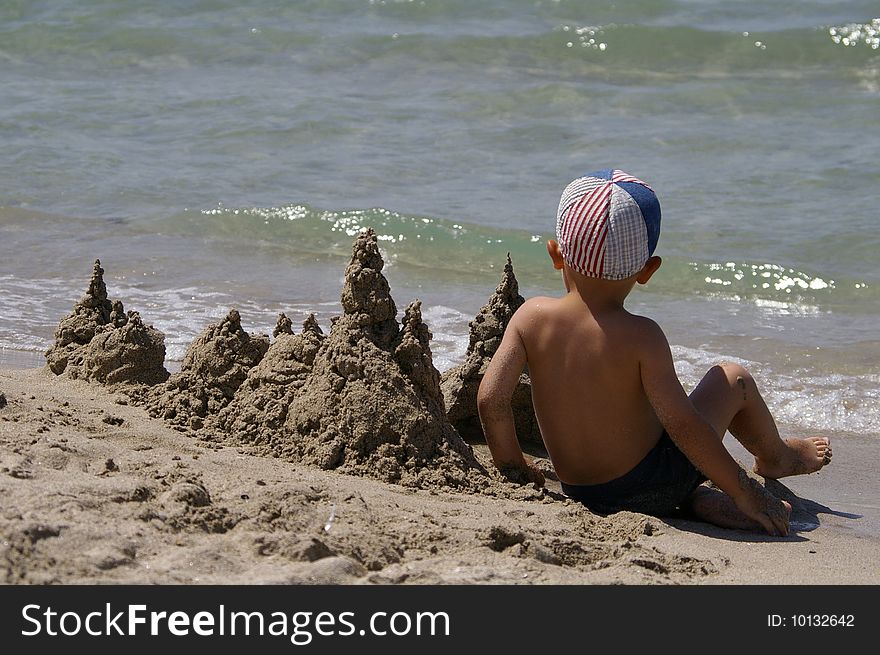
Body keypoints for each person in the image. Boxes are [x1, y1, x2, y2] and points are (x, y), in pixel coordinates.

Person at [477, 169, 832, 536]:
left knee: (666, 457)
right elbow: (683, 426)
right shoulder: (643, 336)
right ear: (648, 270)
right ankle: (776, 458)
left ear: (556, 253)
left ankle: (696, 501)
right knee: (732, 379)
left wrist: (514, 468)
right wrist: (744, 491)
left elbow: (491, 399)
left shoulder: (529, 318)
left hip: (582, 491)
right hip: (654, 485)